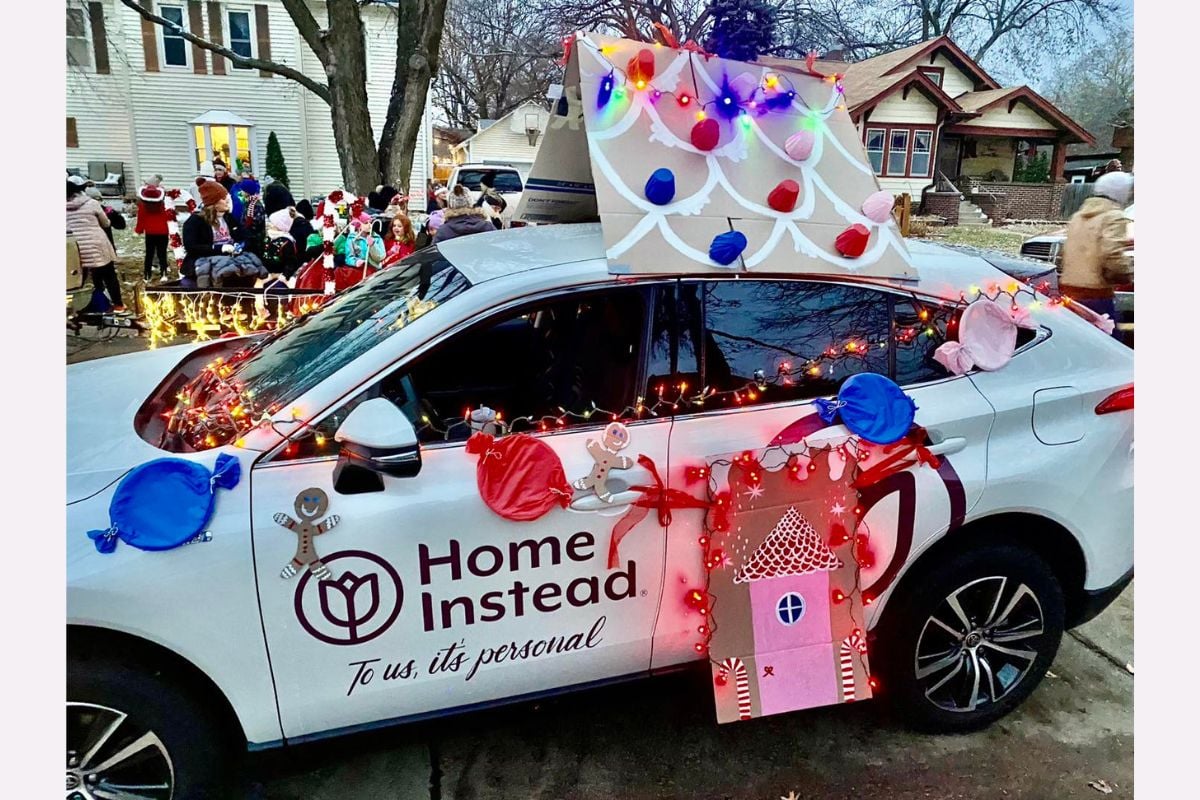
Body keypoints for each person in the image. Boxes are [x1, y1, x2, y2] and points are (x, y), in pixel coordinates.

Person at [1059, 170, 1133, 336]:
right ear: (1120, 192)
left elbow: (1066, 251)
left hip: (1069, 291)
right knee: (1111, 344)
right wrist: (1125, 275)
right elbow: (1112, 254)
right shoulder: (1114, 217)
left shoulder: (1078, 216)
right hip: (1097, 293)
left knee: (1075, 339)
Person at [181, 181, 266, 288]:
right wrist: (219, 248)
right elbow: (191, 247)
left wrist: (241, 244)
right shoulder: (195, 221)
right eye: (223, 198)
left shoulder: (228, 218)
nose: (227, 201)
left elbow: (245, 235)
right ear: (214, 203)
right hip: (206, 261)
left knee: (251, 270)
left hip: (232, 260)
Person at [67, 176, 125, 312]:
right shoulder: (92, 203)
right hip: (97, 245)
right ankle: (118, 305)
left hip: (75, 247)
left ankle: (91, 306)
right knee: (109, 275)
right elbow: (106, 223)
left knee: (83, 280)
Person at [135, 184, 172, 281]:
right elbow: (169, 217)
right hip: (163, 232)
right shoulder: (163, 205)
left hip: (150, 233)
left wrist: (139, 230)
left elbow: (141, 219)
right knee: (162, 253)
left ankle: (147, 275)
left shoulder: (142, 206)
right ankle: (164, 274)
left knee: (149, 254)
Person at [262, 207, 302, 280]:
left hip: (279, 279)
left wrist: (283, 276)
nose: (269, 225)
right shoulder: (270, 237)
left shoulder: (287, 242)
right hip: (266, 276)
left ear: (279, 226)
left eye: (272, 223)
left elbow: (291, 263)